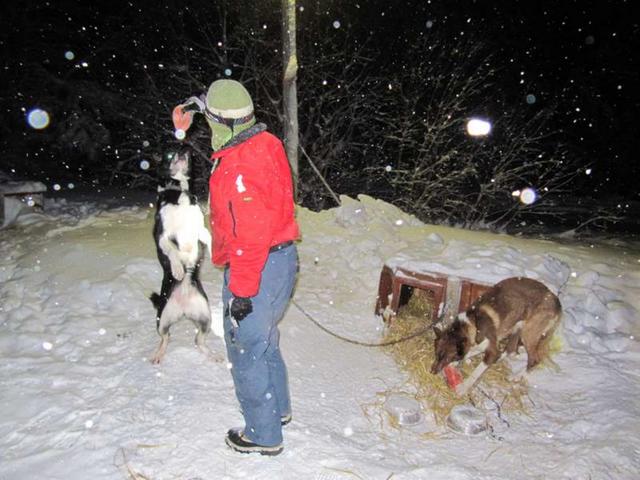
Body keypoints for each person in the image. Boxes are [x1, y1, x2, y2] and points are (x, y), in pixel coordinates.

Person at [204, 79, 300, 456]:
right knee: (265, 339)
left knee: (245, 347)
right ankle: (280, 410)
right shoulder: (263, 141)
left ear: (224, 124)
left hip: (256, 265)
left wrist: (242, 293)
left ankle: (263, 434)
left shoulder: (239, 167)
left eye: (211, 119)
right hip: (281, 258)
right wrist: (195, 107)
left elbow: (250, 235)